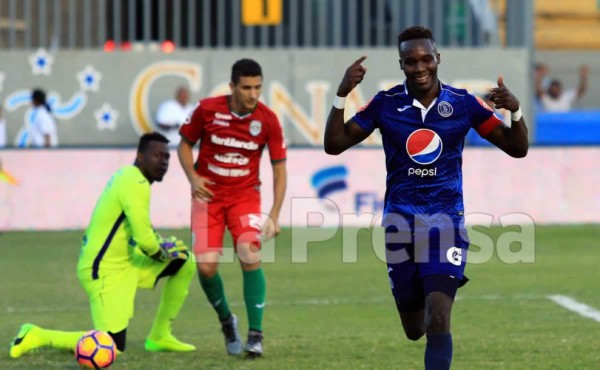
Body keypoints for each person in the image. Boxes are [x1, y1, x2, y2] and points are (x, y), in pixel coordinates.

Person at [324, 26, 528, 370]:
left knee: (438, 316)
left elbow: (517, 147)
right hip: (399, 227)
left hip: (445, 224)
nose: (420, 67)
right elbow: (335, 144)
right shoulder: (386, 104)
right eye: (410, 61)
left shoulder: (462, 103)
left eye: (426, 59)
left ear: (437, 58)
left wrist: (516, 111)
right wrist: (342, 94)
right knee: (414, 328)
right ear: (401, 64)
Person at [10, 132, 197, 358]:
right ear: (140, 156)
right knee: (110, 346)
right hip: (104, 270)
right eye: (157, 155)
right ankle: (36, 335)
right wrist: (160, 251)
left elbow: (139, 229)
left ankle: (160, 335)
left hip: (126, 262)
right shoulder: (135, 182)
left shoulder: (129, 177)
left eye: (166, 157)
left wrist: (161, 246)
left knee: (185, 261)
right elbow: (146, 241)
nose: (163, 162)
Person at [178, 58, 287, 357]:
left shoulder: (268, 120)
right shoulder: (207, 110)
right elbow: (184, 144)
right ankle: (227, 321)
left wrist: (274, 215)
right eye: (247, 87)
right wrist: (193, 176)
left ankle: (256, 334)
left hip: (244, 197)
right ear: (232, 87)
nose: (253, 94)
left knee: (249, 255)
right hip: (207, 198)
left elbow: (279, 169)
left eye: (258, 87)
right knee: (206, 267)